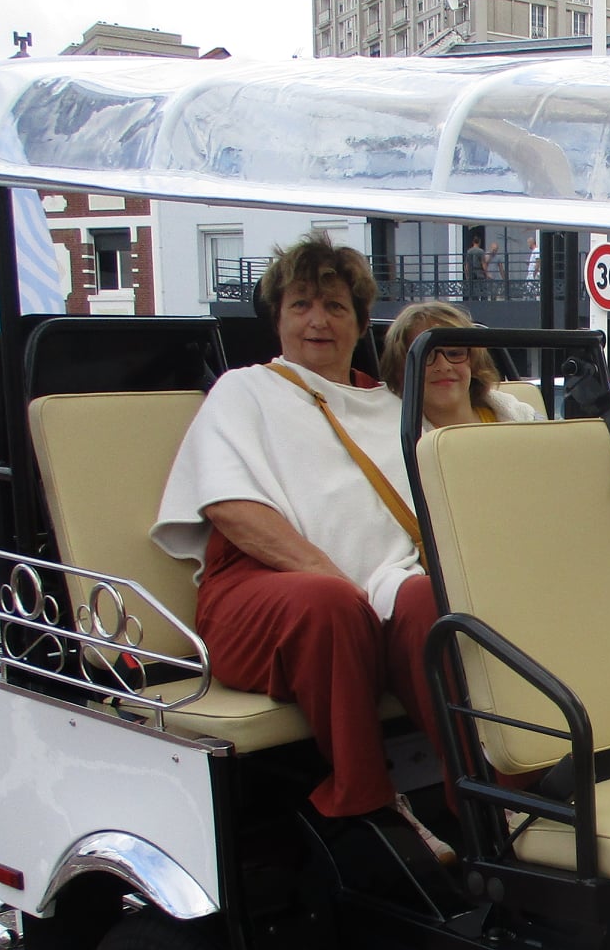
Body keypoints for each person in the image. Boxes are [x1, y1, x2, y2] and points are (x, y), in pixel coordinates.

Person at [152, 233, 454, 862]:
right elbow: (232, 507)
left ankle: (481, 800)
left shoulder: (393, 407)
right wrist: (337, 581)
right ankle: (366, 799)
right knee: (328, 604)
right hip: (259, 597)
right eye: (301, 304)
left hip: (374, 590)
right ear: (278, 318)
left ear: (360, 321)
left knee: (432, 603)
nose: (318, 320)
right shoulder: (246, 390)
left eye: (336, 306)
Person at [379, 301, 540, 428]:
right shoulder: (391, 442)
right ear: (400, 370)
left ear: (474, 362)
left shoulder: (526, 421)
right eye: (426, 355)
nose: (443, 366)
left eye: (455, 353)